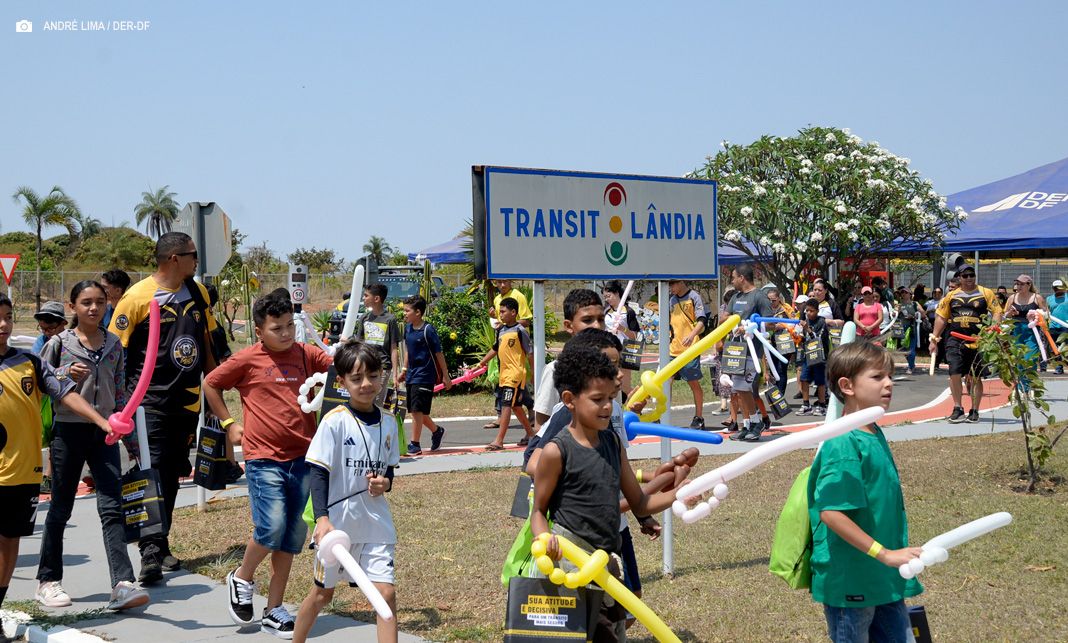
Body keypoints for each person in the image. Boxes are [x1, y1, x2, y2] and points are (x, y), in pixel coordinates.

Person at [531, 344, 683, 641]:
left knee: (612, 633)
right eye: (597, 399)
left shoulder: (613, 443)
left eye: (611, 399)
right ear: (569, 400)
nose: (607, 407)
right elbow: (538, 510)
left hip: (608, 564)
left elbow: (639, 502)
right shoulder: (556, 451)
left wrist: (681, 493)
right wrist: (544, 538)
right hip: (572, 563)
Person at [204, 292, 333, 637]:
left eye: (290, 325)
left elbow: (338, 368)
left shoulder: (306, 355)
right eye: (277, 328)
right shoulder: (247, 360)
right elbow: (211, 383)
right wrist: (230, 424)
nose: (287, 333)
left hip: (305, 458)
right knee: (271, 527)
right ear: (259, 330)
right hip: (264, 458)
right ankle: (242, 576)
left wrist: (346, 351)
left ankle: (274, 609)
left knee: (291, 538)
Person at [0, 294, 121, 641]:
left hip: (22, 473)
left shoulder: (29, 363)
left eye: (8, 317)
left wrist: (102, 421)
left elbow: (66, 391)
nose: (4, 325)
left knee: (9, 543)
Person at [108, 231, 219, 584]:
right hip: (148, 404)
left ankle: (161, 541)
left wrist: (214, 391)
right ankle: (149, 551)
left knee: (171, 474)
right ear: (174, 258)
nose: (196, 260)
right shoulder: (137, 297)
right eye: (192, 255)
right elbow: (116, 352)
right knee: (150, 471)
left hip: (186, 402)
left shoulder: (198, 293)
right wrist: (122, 404)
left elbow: (209, 343)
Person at [35, 281, 150, 612]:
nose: (94, 308)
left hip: (106, 435)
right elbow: (42, 382)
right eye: (86, 302)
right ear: (72, 307)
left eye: (100, 302)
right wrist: (64, 370)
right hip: (68, 433)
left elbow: (121, 390)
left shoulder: (114, 344)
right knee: (60, 507)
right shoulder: (59, 343)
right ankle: (48, 581)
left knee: (112, 507)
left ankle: (122, 584)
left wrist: (131, 440)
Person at [808, 341, 923, 642]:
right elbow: (831, 513)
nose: (889, 384)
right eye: (877, 377)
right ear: (847, 385)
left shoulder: (871, 431)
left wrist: (888, 558)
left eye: (890, 376)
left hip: (883, 577)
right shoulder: (843, 441)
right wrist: (883, 554)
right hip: (853, 583)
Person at [294, 341, 400, 643]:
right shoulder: (334, 422)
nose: (366, 384)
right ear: (341, 382)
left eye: (372, 376)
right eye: (356, 379)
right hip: (337, 528)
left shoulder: (390, 423)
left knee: (386, 595)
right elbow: (318, 472)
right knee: (321, 595)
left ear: (382, 376)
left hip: (376, 525)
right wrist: (323, 520)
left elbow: (388, 468)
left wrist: (386, 483)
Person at [929, 265, 1002, 423]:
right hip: (955, 339)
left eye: (972, 275)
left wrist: (992, 329)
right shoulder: (951, 296)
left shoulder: (985, 293)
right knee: (954, 373)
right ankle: (957, 408)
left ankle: (974, 410)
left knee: (975, 377)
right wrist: (934, 339)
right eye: (965, 276)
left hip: (978, 340)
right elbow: (941, 317)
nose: (969, 278)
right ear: (959, 278)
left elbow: (997, 311)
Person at [532, 289, 606, 432]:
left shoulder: (610, 369)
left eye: (601, 319)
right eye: (587, 320)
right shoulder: (555, 370)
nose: (597, 326)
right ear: (568, 325)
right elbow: (540, 426)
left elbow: (616, 426)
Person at [475, 298, 535, 451]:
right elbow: (495, 349)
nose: (500, 314)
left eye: (503, 311)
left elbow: (530, 353)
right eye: (499, 311)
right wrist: (482, 363)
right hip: (504, 375)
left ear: (513, 312)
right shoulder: (500, 330)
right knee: (515, 406)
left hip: (515, 375)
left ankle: (499, 440)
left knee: (506, 404)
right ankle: (531, 435)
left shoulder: (520, 330)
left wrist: (533, 374)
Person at [725, 265, 775, 441]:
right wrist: (733, 322)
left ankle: (756, 422)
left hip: (752, 351)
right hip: (735, 350)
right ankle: (747, 425)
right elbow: (724, 317)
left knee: (745, 388)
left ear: (742, 278)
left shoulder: (759, 296)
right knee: (738, 390)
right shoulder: (736, 297)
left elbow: (770, 324)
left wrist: (750, 326)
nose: (732, 281)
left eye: (733, 277)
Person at [399, 295, 451, 455]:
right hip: (412, 374)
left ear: (418, 312)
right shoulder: (408, 328)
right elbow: (408, 350)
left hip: (425, 375)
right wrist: (404, 370)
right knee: (418, 410)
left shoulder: (428, 330)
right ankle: (437, 431)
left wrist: (446, 376)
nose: (405, 314)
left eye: (407, 311)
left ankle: (415, 444)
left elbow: (438, 353)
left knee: (416, 410)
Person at [667, 279, 708, 429]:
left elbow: (702, 320)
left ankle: (699, 417)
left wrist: (691, 336)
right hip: (673, 349)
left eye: (672, 284)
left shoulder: (693, 297)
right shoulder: (671, 300)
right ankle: (664, 416)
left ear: (680, 282)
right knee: (667, 382)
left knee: (693, 383)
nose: (670, 288)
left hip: (690, 349)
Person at [353, 283, 402, 406]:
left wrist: (395, 374)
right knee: (364, 399)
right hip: (365, 365)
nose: (363, 298)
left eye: (366, 296)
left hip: (383, 367)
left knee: (376, 401)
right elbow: (359, 344)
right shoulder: (364, 318)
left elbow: (393, 348)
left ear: (376, 299)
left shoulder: (390, 319)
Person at [603, 280, 641, 397]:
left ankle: (639, 399)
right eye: (605, 297)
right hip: (610, 349)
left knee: (624, 385)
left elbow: (635, 336)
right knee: (610, 382)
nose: (607, 299)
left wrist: (622, 328)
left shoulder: (628, 312)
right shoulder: (606, 312)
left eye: (609, 296)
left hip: (626, 349)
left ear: (617, 293)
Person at [1005, 274, 1049, 368]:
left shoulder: (1037, 298)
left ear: (1029, 285)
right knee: (1018, 360)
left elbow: (1046, 314)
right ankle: (1021, 382)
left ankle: (1028, 382)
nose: (1018, 286)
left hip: (1032, 333)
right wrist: (1011, 313)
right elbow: (1005, 316)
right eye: (1017, 284)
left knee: (1029, 359)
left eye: (1021, 284)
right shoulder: (1012, 298)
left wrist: (1037, 314)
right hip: (1016, 332)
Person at [797, 299, 830, 416]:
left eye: (811, 311)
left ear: (817, 310)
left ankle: (822, 405)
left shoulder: (822, 322)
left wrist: (808, 329)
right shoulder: (805, 321)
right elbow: (803, 339)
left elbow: (817, 339)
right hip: (808, 355)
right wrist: (798, 337)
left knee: (820, 381)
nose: (809, 313)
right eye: (807, 311)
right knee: (804, 378)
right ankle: (806, 405)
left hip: (820, 356)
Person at [765, 287, 797, 396]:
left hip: (784, 342)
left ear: (779, 299)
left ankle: (780, 395)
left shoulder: (786, 309)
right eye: (769, 300)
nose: (771, 302)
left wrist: (781, 325)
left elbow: (794, 323)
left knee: (781, 368)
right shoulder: (766, 310)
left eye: (773, 300)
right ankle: (775, 392)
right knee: (773, 368)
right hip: (770, 343)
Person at [897, 287, 920, 374]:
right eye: (902, 292)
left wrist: (913, 316)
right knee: (903, 348)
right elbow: (894, 315)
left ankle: (910, 367)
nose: (903, 294)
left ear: (910, 294)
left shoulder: (915, 304)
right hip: (901, 328)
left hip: (911, 327)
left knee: (911, 348)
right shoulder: (899, 305)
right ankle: (912, 364)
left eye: (905, 292)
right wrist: (896, 312)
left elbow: (923, 314)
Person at [1048, 279, 1068, 374]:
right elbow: (1047, 312)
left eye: (1059, 287)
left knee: (1065, 348)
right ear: (1053, 288)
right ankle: (1059, 368)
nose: (1057, 289)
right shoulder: (1049, 299)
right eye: (1055, 287)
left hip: (1065, 326)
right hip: (1053, 327)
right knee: (1055, 349)